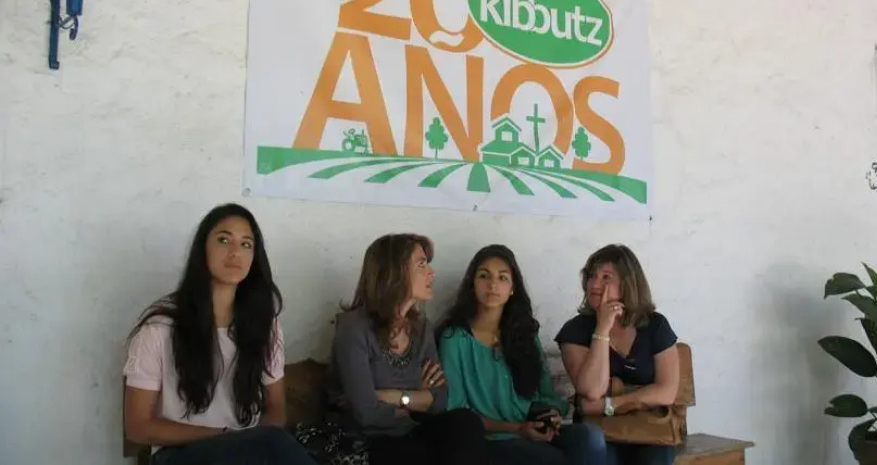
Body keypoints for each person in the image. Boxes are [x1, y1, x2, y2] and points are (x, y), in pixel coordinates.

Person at [123, 203, 314, 465]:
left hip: (248, 452)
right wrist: (223, 436)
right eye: (224, 240)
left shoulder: (264, 325)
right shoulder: (160, 328)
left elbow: (277, 410)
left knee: (275, 442)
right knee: (273, 443)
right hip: (179, 454)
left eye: (246, 244)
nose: (235, 252)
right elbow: (138, 427)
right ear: (203, 249)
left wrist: (247, 441)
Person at [437, 244, 607, 465]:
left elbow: (547, 393)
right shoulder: (455, 339)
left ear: (512, 288)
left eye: (502, 278)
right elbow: (457, 413)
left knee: (590, 438)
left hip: (533, 429)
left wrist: (551, 414)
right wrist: (518, 429)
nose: (492, 285)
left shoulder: (523, 334)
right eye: (484, 276)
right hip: (493, 438)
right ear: (472, 284)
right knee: (552, 459)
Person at [328, 233, 489, 465]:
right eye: (421, 264)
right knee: (418, 454)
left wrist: (393, 397)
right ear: (394, 273)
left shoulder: (421, 327)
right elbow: (365, 412)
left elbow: (440, 399)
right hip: (366, 440)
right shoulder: (354, 328)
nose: (431, 273)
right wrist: (417, 400)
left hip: (409, 430)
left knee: (466, 422)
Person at [555, 244, 680, 465]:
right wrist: (602, 329)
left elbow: (667, 392)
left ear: (628, 284)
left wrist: (609, 405)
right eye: (592, 276)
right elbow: (592, 390)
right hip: (599, 432)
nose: (595, 284)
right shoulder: (575, 330)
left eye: (606, 277)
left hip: (650, 430)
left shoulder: (655, 325)